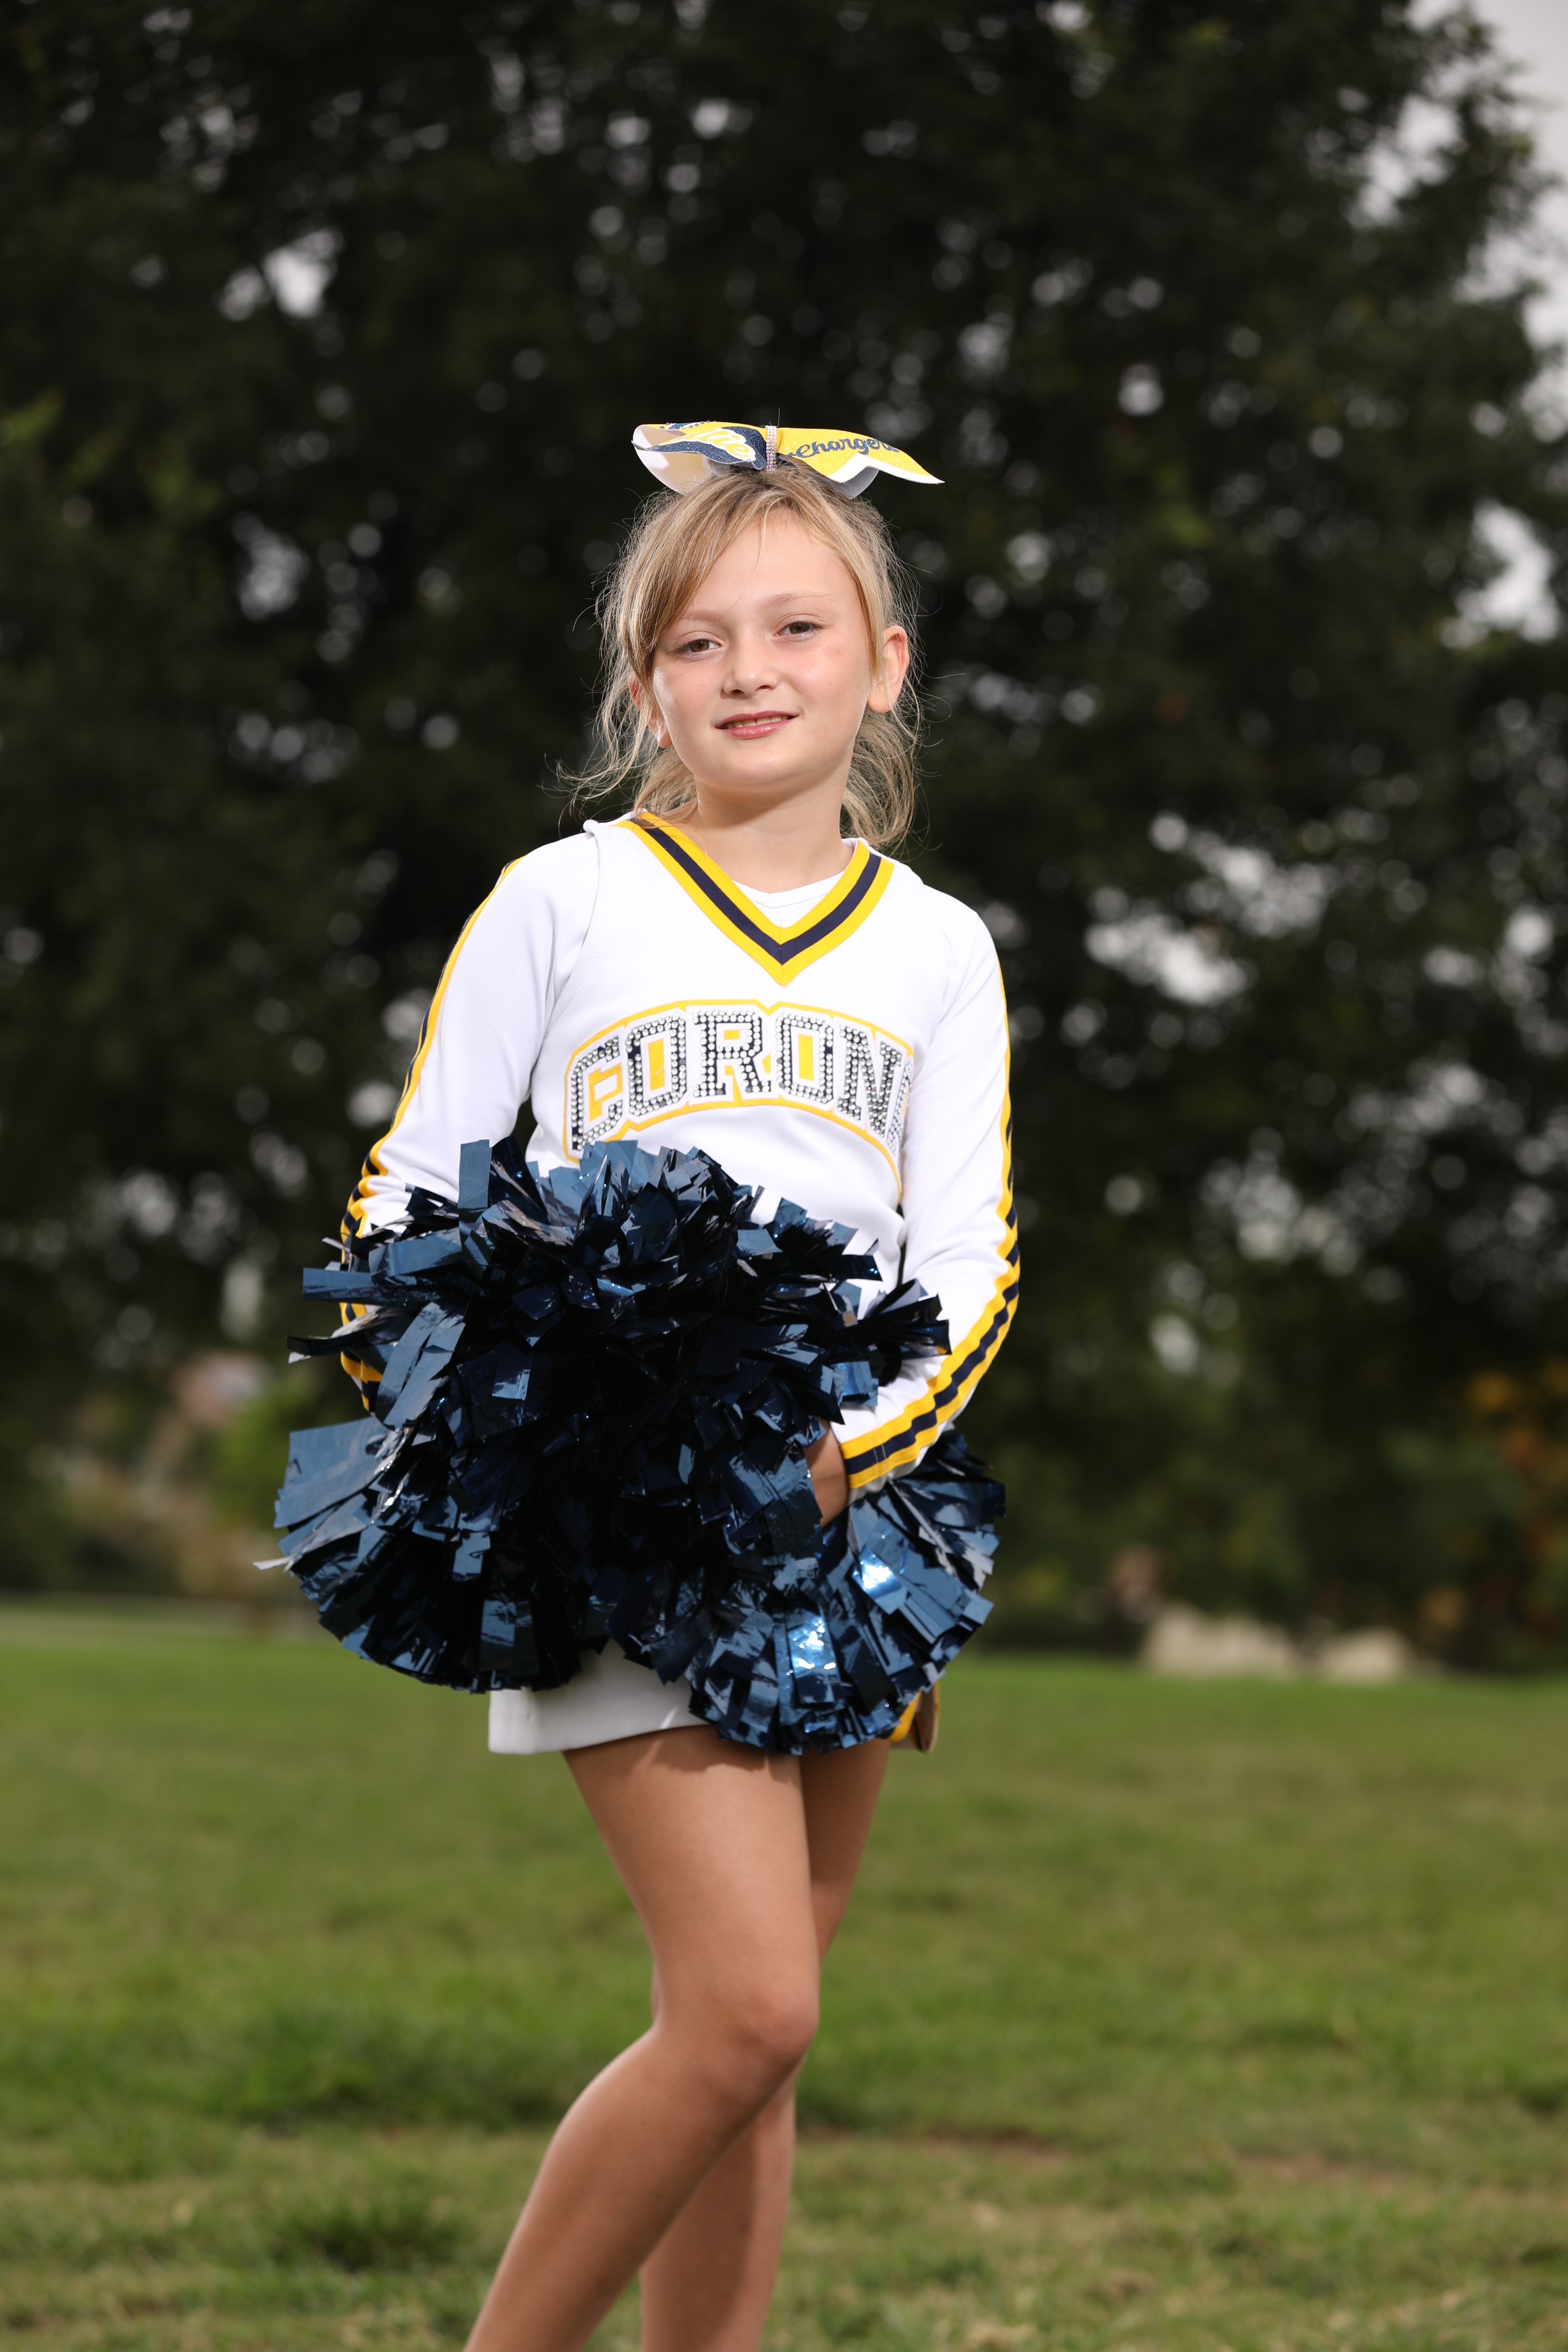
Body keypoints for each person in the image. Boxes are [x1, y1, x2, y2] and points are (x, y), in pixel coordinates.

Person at [347, 420, 1018, 2352]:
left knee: (755, 2051)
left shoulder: (940, 948)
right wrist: (481, 1420)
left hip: (848, 1515)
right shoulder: (562, 899)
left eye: (798, 628)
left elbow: (967, 1259)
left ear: (884, 663)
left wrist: (844, 1458)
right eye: (698, 640)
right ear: (644, 685)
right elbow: (411, 1190)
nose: (750, 671)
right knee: (746, 2008)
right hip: (614, 1507)